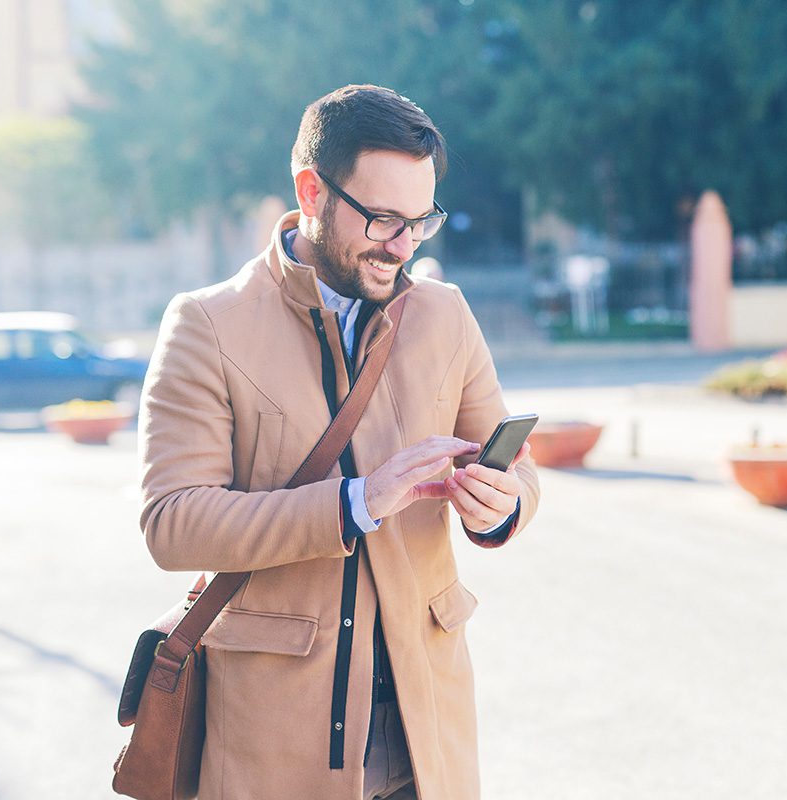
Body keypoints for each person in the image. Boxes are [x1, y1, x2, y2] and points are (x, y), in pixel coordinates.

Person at [138, 84, 540, 800]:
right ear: (311, 192)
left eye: (422, 221)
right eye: (384, 219)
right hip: (273, 747)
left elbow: (522, 476)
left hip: (428, 734)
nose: (404, 246)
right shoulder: (206, 324)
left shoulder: (446, 314)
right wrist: (356, 501)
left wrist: (500, 506)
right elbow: (173, 524)